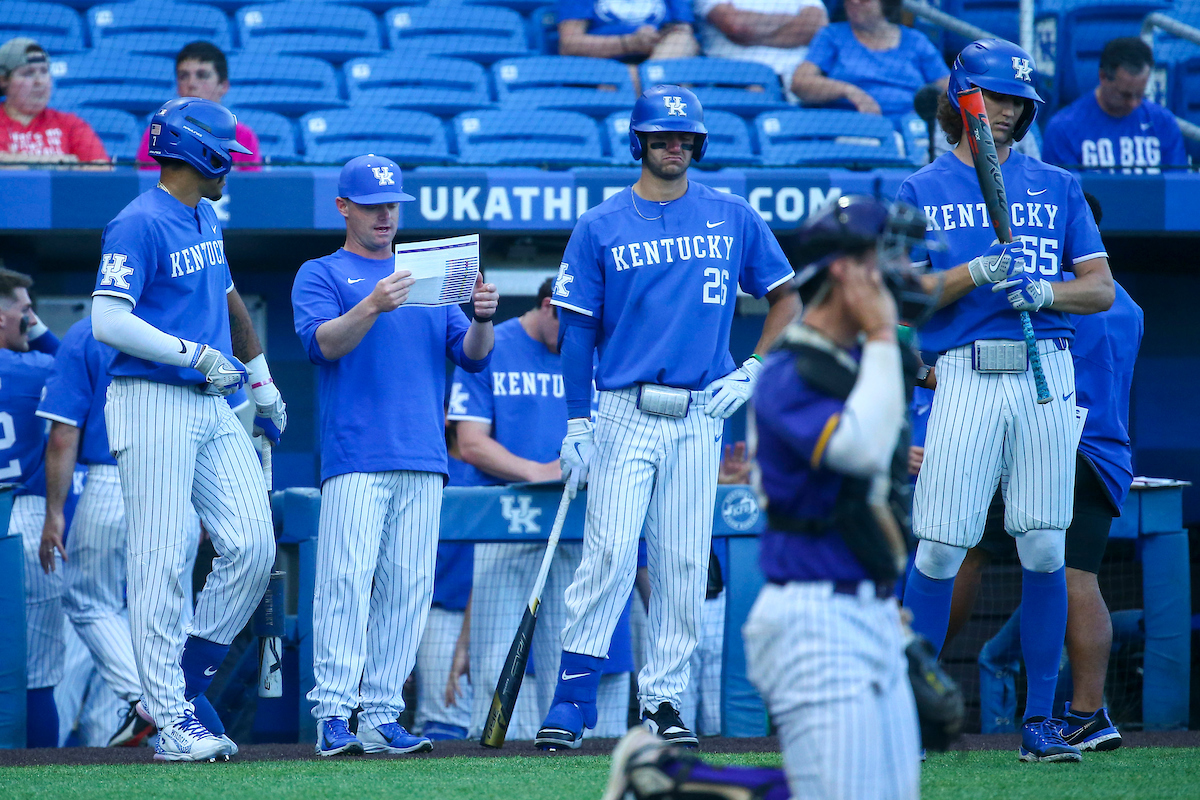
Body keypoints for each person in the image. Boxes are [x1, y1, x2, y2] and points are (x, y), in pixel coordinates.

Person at [600, 194, 931, 800]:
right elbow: (857, 448)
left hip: (869, 606)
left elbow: (878, 500)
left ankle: (671, 784)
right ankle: (670, 781)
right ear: (845, 271)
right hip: (814, 616)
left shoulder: (865, 360)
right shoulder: (794, 372)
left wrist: (889, 604)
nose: (908, 274)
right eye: (891, 259)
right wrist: (885, 333)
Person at [534, 84, 798, 750]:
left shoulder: (731, 215)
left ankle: (664, 702)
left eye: (684, 138)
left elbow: (787, 298)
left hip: (701, 412)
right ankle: (573, 700)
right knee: (609, 556)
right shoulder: (600, 223)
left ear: (697, 145)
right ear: (640, 143)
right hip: (624, 407)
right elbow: (576, 333)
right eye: (662, 137)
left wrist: (756, 369)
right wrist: (576, 422)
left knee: (682, 564)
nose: (673, 146)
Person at [895, 38, 1114, 763]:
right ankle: (915, 715)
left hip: (1045, 366)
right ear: (963, 101)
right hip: (965, 369)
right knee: (939, 547)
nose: (1004, 111)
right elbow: (908, 298)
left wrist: (1045, 288)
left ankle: (1041, 721)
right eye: (991, 97)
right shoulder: (920, 188)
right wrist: (977, 270)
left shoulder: (1057, 185)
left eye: (1016, 101)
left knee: (1045, 542)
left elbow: (1101, 289)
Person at [89, 96, 284, 762]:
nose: (233, 165)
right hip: (152, 398)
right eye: (226, 153)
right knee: (162, 560)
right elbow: (107, 322)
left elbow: (225, 297)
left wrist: (259, 376)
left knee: (254, 546)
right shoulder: (137, 221)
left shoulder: (203, 212)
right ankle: (170, 721)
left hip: (210, 399)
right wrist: (189, 353)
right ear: (196, 151)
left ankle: (184, 683)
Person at [291, 153, 498, 757]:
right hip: (356, 454)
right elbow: (322, 346)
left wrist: (484, 318)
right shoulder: (322, 272)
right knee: (345, 583)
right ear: (344, 207)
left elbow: (474, 354)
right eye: (373, 204)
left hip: (425, 455)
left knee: (407, 588)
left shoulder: (427, 273)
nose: (385, 215)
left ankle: (381, 713)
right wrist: (373, 305)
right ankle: (334, 713)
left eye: (392, 205)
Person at [942, 195, 1142, 753]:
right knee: (1079, 576)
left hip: (1054, 440)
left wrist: (939, 378)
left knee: (959, 554)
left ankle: (916, 691)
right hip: (1106, 448)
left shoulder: (1055, 297)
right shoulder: (1124, 301)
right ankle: (1089, 713)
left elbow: (1031, 376)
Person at [36, 318, 223, 749]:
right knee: (172, 614)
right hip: (177, 486)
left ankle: (156, 701)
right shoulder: (188, 325)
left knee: (86, 599)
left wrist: (55, 513)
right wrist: (203, 509)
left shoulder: (88, 332)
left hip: (110, 479)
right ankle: (183, 717)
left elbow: (63, 434)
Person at [0, 267, 63, 747]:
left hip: (19, 515)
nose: (30, 322)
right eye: (24, 313)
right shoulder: (37, 368)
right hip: (25, 519)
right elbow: (72, 363)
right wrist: (39, 334)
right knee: (38, 675)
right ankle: (39, 774)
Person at [1042, 37, 1186, 174]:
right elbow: (1063, 194)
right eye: (1125, 95)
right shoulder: (1064, 129)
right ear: (1103, 77)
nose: (1134, 103)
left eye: (1140, 94)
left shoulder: (1163, 123)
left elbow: (1177, 188)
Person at [791, 0, 949, 119]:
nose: (854, 2)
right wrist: (849, 91)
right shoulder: (831, 35)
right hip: (855, 126)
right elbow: (800, 82)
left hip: (913, 127)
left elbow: (951, 88)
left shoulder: (915, 40)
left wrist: (924, 111)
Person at [136, 41, 260, 170]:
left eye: (202, 75)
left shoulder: (243, 136)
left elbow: (249, 188)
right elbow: (147, 185)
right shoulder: (158, 133)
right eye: (183, 76)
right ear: (177, 86)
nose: (191, 84)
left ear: (223, 86)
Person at [0, 38, 107, 164]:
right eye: (28, 73)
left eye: (44, 71)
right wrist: (63, 162)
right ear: (3, 80)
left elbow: (102, 170)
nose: (39, 82)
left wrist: (13, 160)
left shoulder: (71, 125)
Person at [695, 0, 828, 95]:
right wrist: (796, 22)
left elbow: (819, 25)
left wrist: (753, 35)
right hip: (739, 85)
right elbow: (736, 25)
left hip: (802, 86)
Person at [557, 0, 699, 62]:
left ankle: (646, 82)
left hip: (662, 55)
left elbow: (684, 29)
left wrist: (658, 37)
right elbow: (569, 44)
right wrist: (629, 43)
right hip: (606, 65)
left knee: (682, 39)